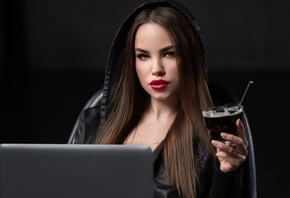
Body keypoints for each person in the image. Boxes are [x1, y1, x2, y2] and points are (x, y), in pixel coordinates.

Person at [73, 0, 249, 197]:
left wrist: (228, 173)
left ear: (190, 57)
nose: (156, 69)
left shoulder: (213, 136)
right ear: (132, 62)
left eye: (169, 53)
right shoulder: (91, 123)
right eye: (143, 56)